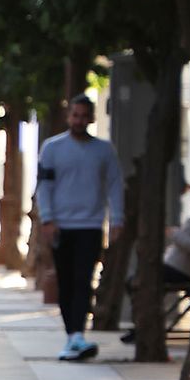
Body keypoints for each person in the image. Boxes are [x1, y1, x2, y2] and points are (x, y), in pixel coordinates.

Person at [37, 94, 123, 361]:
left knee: (83, 280)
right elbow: (44, 186)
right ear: (69, 116)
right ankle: (71, 335)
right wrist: (47, 220)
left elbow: (115, 185)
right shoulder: (52, 148)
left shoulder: (104, 150)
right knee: (65, 281)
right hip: (61, 226)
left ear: (92, 118)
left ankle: (78, 336)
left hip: (91, 225)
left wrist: (117, 220)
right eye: (75, 115)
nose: (80, 121)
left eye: (85, 116)